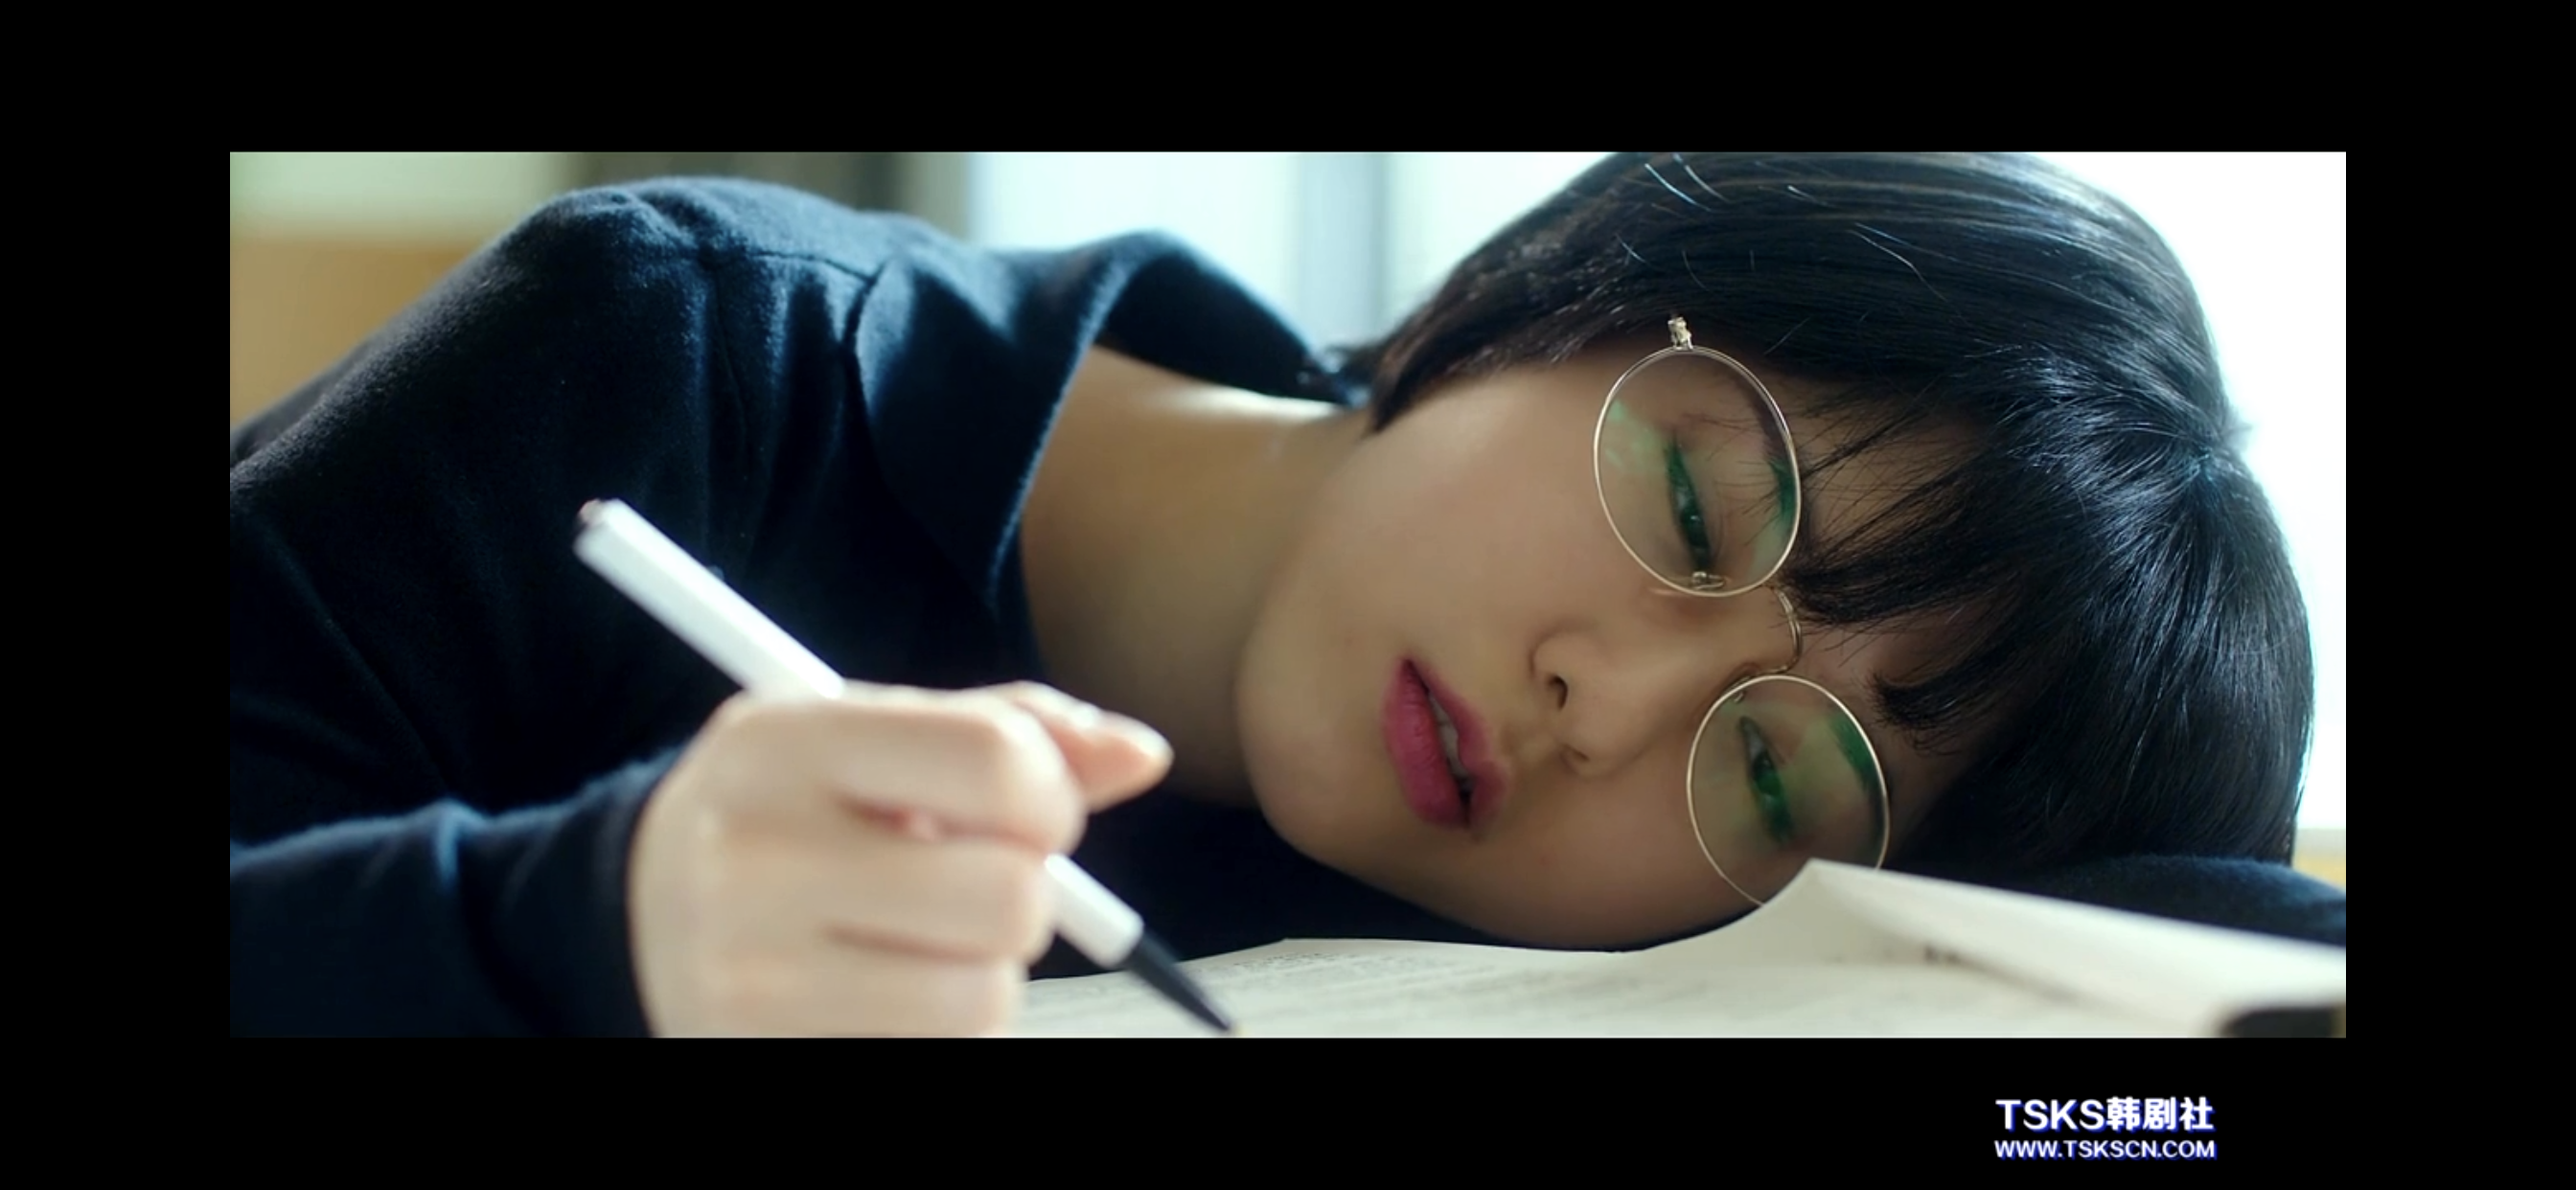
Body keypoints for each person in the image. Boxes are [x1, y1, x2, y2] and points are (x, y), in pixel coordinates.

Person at [229, 152, 2335, 1038]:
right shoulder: (673, 351)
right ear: (1571, 284)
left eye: (1775, 780)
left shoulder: (1551, 948)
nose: (1607, 710)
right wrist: (589, 922)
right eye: (1700, 508)